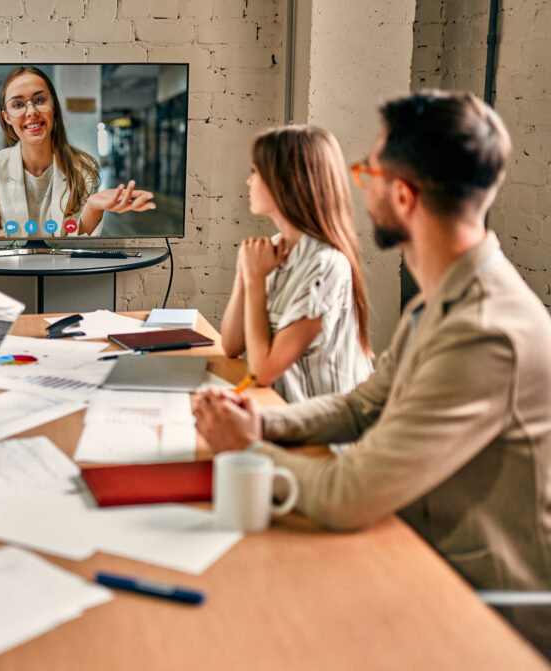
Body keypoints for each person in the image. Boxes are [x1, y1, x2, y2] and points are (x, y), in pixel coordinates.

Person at [195, 91, 551, 654]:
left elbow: (350, 493)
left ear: (404, 196)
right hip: (414, 544)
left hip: (474, 601)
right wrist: (262, 426)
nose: (358, 186)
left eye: (368, 173)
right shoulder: (440, 300)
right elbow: (362, 405)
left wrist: (243, 448)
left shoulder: (486, 332)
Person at [219, 125, 372, 403]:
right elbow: (230, 345)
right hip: (278, 412)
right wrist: (245, 274)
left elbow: (262, 372)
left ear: (286, 182)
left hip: (323, 436)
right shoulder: (276, 248)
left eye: (256, 172)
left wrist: (255, 283)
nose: (248, 181)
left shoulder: (325, 265)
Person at [0, 65, 156, 238]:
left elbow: (79, 244)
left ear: (53, 106)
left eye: (40, 100)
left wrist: (94, 207)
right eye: (18, 105)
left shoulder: (83, 167)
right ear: (6, 117)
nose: (31, 111)